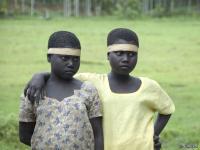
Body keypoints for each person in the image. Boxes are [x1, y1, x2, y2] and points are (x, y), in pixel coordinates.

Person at [24, 28, 175, 150]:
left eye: (132, 54)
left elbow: (167, 110)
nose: (125, 59)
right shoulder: (92, 82)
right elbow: (60, 76)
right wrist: (39, 76)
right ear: (108, 55)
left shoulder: (149, 86)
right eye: (119, 53)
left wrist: (152, 135)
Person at [19, 31, 103, 150]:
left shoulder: (87, 90)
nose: (71, 63)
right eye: (64, 58)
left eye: (76, 59)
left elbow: (98, 134)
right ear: (49, 57)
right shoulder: (33, 91)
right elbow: (24, 135)